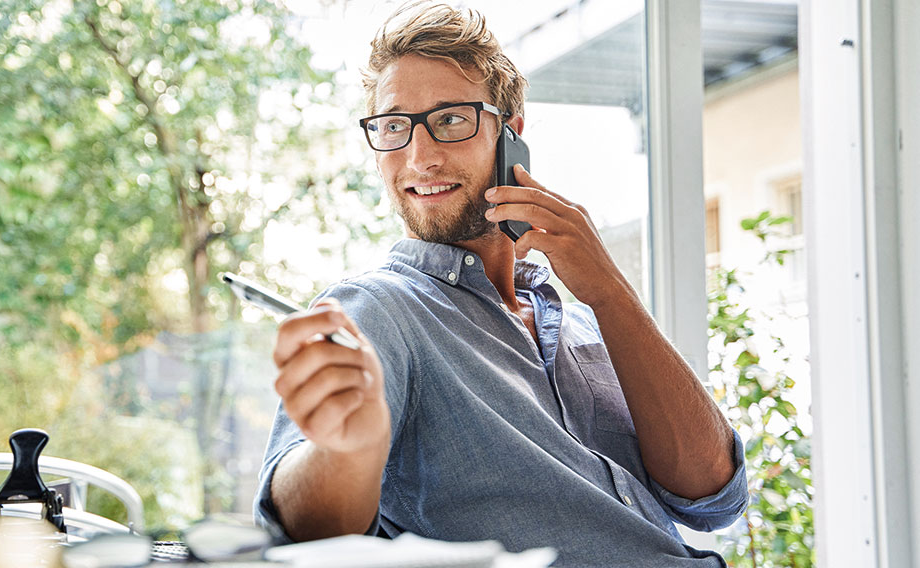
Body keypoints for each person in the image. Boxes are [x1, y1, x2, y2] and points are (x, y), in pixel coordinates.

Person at [253, 3, 747, 565]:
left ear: (510, 133)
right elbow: (304, 533)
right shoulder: (374, 311)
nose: (420, 158)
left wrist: (611, 293)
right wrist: (348, 449)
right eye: (394, 127)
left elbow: (713, 497)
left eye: (451, 119)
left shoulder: (585, 316)